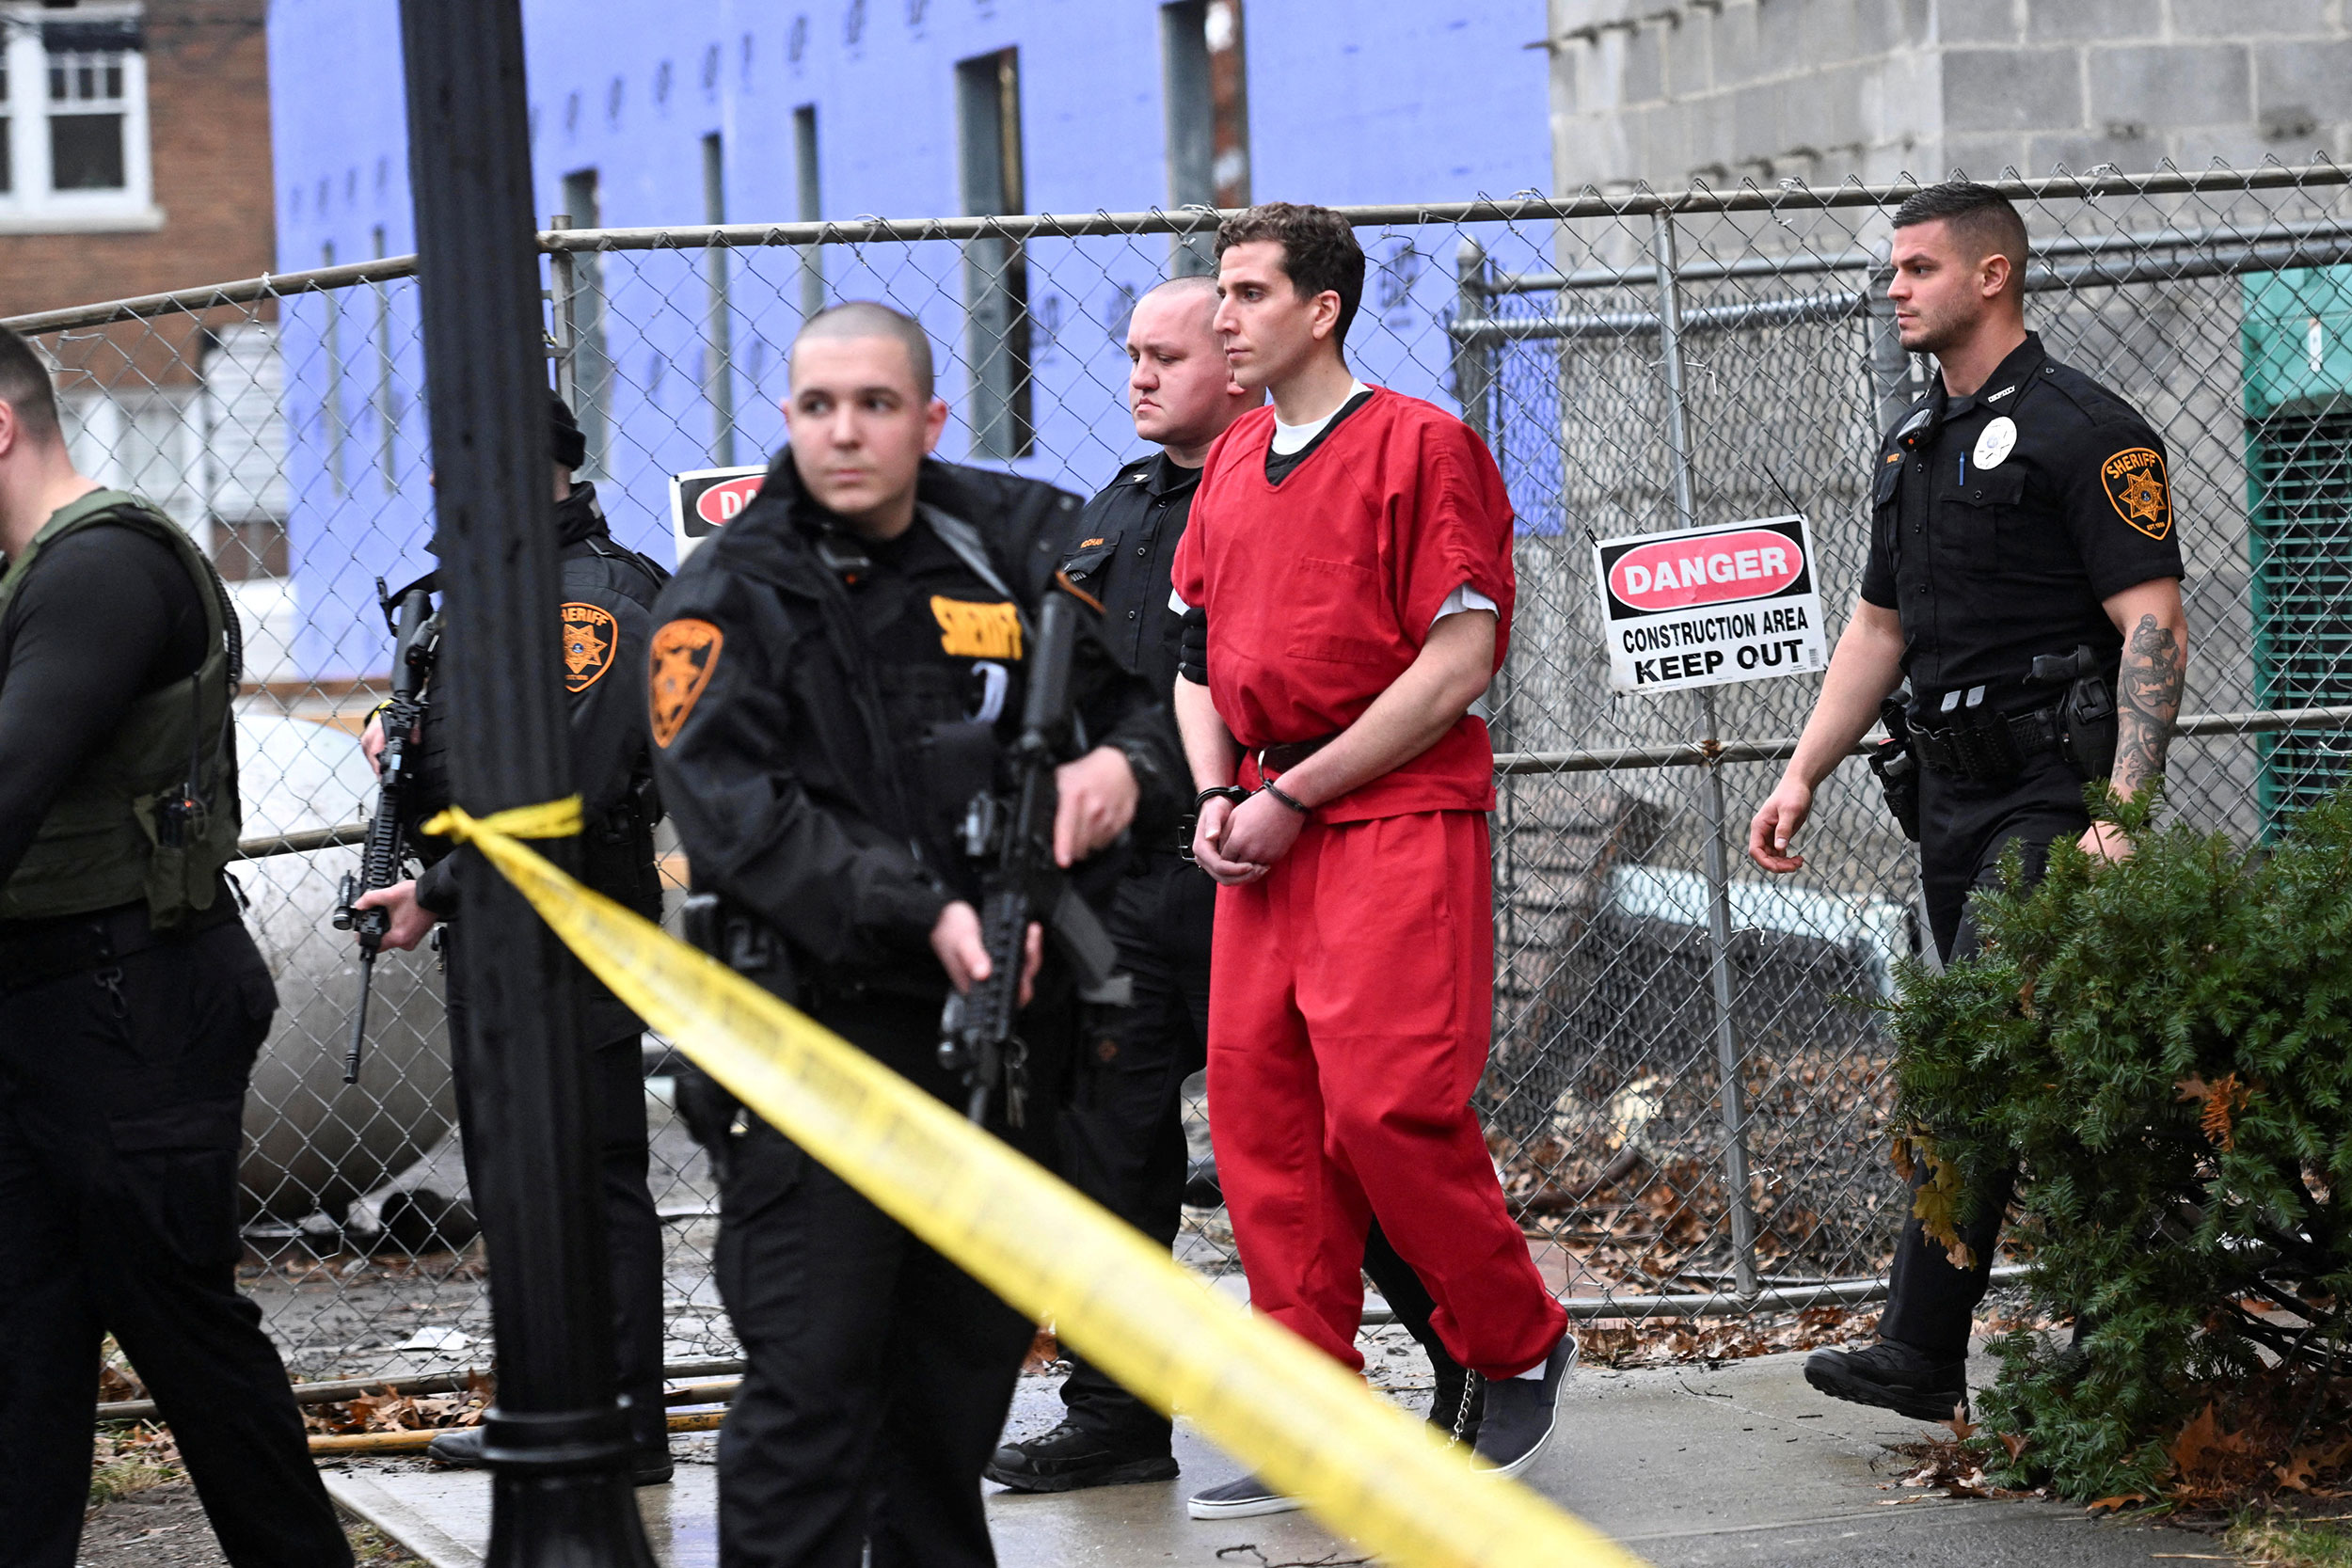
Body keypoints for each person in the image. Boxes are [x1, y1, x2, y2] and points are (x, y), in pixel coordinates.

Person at [650, 300, 1179, 1568]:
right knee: (814, 1382)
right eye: (819, 406)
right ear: (788, 418)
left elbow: (1161, 692)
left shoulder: (1021, 539)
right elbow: (736, 817)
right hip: (818, 1040)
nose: (846, 431)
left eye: (876, 404)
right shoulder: (731, 584)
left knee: (953, 1391)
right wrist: (921, 906)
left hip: (1004, 1044)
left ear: (929, 417)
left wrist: (1126, 771)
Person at [984, 275, 1480, 1499]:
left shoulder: (1300, 483)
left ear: (1242, 355)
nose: (1138, 375)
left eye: (1167, 354)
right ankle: (1114, 1405)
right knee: (1110, 1146)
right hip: (1131, 884)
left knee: (1338, 1137)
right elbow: (1076, 694)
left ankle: (1475, 1355)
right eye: (1133, 353)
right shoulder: (1122, 503)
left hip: (1282, 856)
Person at [1746, 182, 2188, 1421]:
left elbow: (2151, 622)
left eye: (1918, 267)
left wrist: (2123, 811)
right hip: (1946, 798)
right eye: (1892, 268)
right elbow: (1877, 627)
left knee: (1974, 1045)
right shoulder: (1914, 448)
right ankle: (2089, 1331)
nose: (1895, 286)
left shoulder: (2086, 430)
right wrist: (1801, 771)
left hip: (2053, 795)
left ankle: (1938, 1341)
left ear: (1992, 276)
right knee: (2029, 1063)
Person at [1169, 203, 1574, 1520]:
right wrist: (1221, 795)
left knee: (1387, 1104)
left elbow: (1457, 664)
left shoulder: (1421, 445)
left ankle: (1514, 1336)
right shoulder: (1232, 460)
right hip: (1262, 821)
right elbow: (1193, 661)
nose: (1220, 317)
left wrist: (1292, 787)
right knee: (1263, 1125)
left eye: (1244, 292)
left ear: (1320, 307)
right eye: (1218, 293)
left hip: (1390, 810)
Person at [0, 325, 355, 1568]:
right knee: (23, 1349)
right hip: (53, 1005)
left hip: (129, 1007)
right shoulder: (36, 574)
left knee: (185, 1336)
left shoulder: (101, 571)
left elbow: (12, 781)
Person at [353, 392, 675, 1482]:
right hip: (493, 924)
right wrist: (395, 741)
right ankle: (552, 1406)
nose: (441, 492)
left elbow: (562, 791)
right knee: (512, 1177)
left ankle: (621, 1423)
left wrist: (435, 885)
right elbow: (468, 756)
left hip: (572, 921)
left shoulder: (593, 598)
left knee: (586, 1170)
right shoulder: (487, 594)